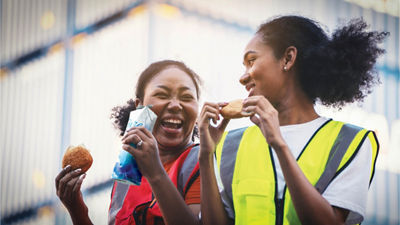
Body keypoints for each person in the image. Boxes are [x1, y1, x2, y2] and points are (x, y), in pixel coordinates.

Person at [198, 16, 387, 225]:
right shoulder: (229, 145)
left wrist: (279, 144)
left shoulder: (352, 141)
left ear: (288, 59)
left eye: (251, 61)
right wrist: (205, 156)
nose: (242, 78)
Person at [55, 60, 203, 225]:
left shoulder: (202, 161)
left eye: (187, 97)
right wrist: (77, 209)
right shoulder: (125, 176)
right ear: (139, 106)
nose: (176, 105)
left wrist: (155, 172)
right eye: (162, 95)